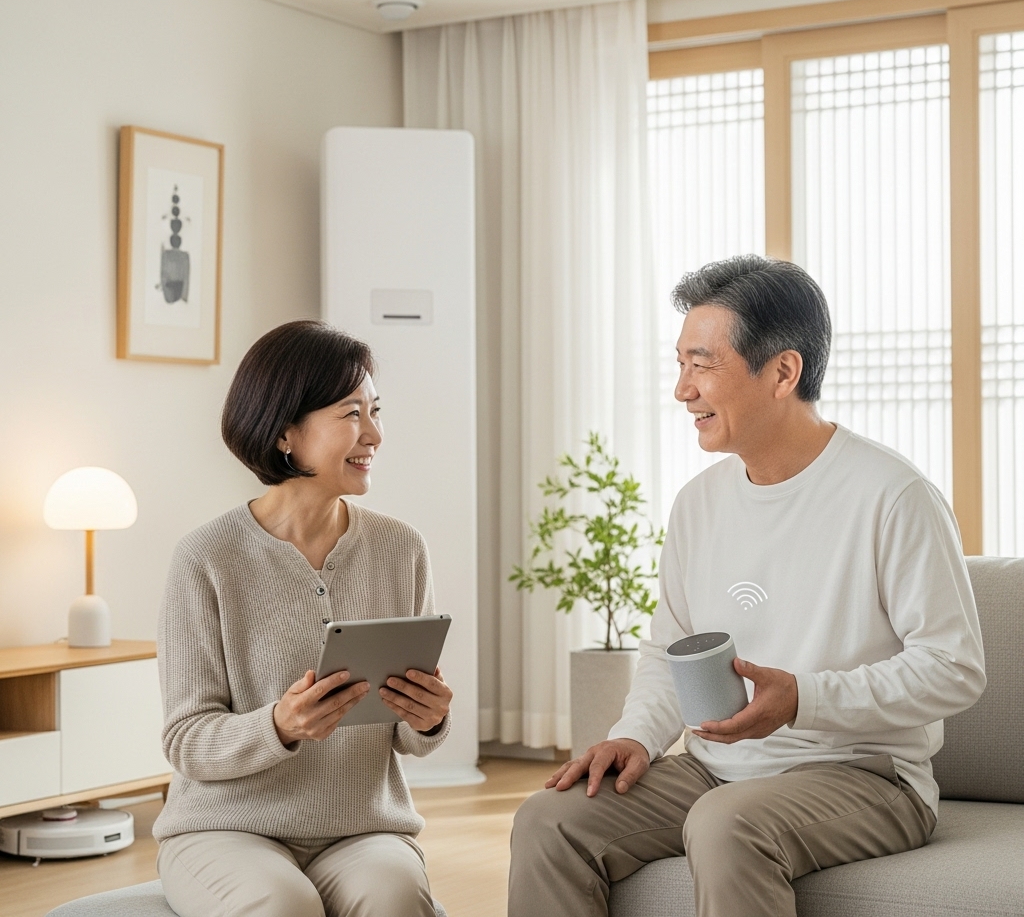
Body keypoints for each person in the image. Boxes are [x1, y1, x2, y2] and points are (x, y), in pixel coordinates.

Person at [508, 256, 986, 917]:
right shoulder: (698, 503)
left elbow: (954, 670)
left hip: (865, 777)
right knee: (549, 819)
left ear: (783, 372)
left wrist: (802, 700)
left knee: (725, 821)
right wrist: (636, 737)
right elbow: (666, 652)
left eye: (703, 365)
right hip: (715, 769)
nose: (682, 390)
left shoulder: (892, 496)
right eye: (679, 364)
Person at [154, 320, 452, 917]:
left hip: (362, 828)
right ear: (286, 431)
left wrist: (428, 719)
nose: (374, 434)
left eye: (375, 411)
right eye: (350, 414)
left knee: (396, 897)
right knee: (281, 905)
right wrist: (279, 726)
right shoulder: (205, 558)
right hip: (226, 828)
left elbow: (406, 734)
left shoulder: (402, 548)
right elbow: (186, 740)